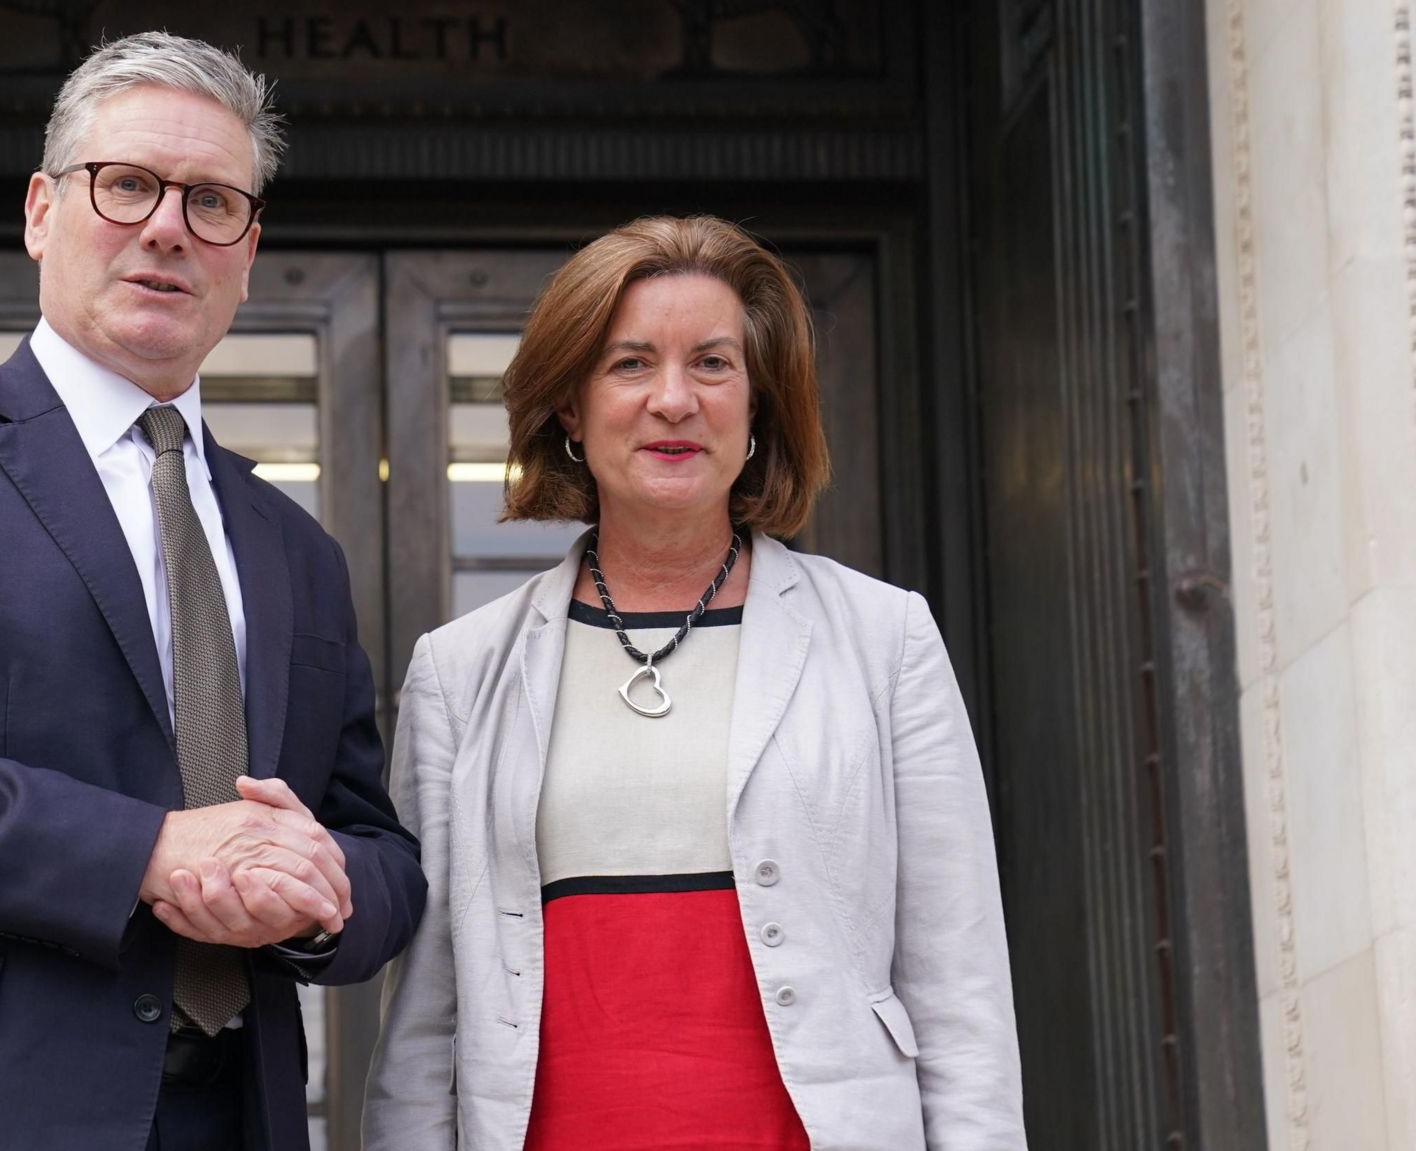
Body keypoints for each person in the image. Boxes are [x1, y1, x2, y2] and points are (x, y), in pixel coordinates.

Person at [0, 31, 423, 1151]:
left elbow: (377, 848)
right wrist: (148, 849)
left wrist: (317, 890)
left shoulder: (296, 547)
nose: (165, 226)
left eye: (210, 201)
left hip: (227, 1112)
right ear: (41, 211)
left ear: (247, 254)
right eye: (129, 184)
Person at [363, 216, 1024, 1150]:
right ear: (569, 407)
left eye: (712, 364)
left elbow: (959, 991)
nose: (673, 400)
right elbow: (425, 1023)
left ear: (757, 407)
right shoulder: (460, 672)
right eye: (630, 364)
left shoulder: (887, 640)